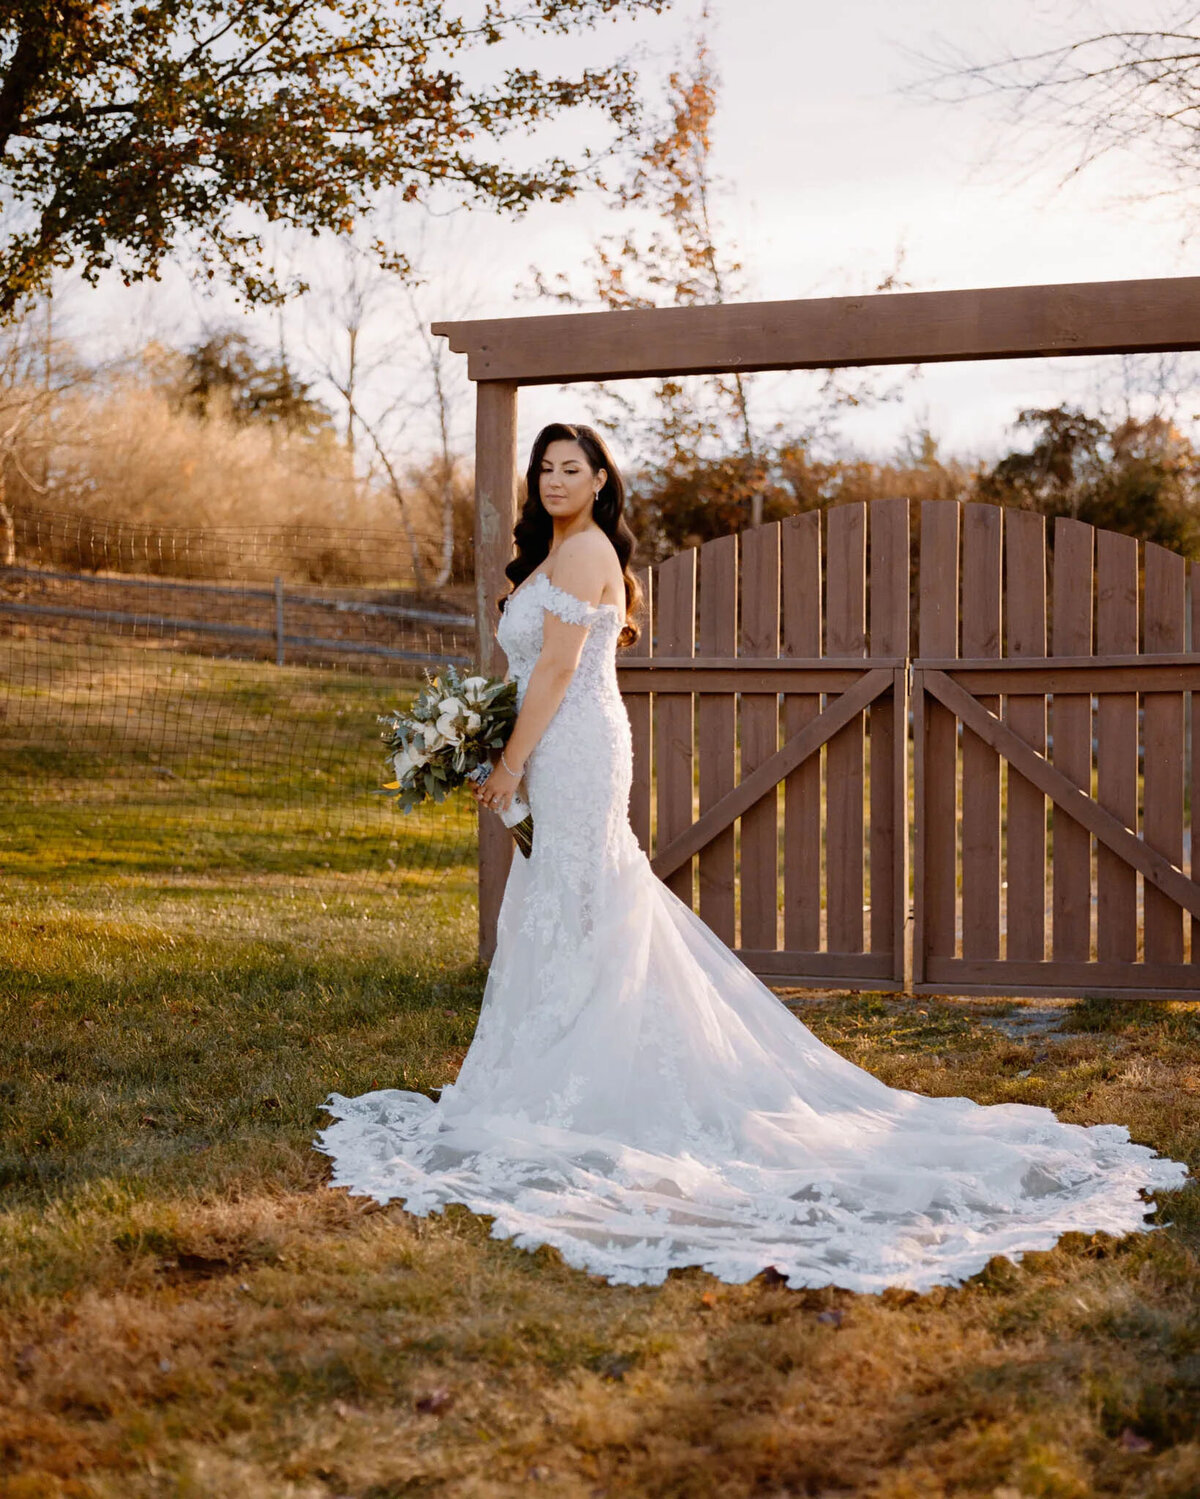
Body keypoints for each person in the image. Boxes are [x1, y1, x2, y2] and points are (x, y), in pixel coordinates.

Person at [315, 421, 1187, 1293]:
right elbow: (523, 676)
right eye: (542, 468)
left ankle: (590, 1069)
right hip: (550, 746)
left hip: (574, 745)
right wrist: (486, 737)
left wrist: (507, 761)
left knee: (587, 894)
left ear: (600, 481)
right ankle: (551, 1058)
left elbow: (553, 672)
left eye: (570, 468)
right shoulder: (549, 555)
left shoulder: (585, 559)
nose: (551, 479)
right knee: (566, 899)